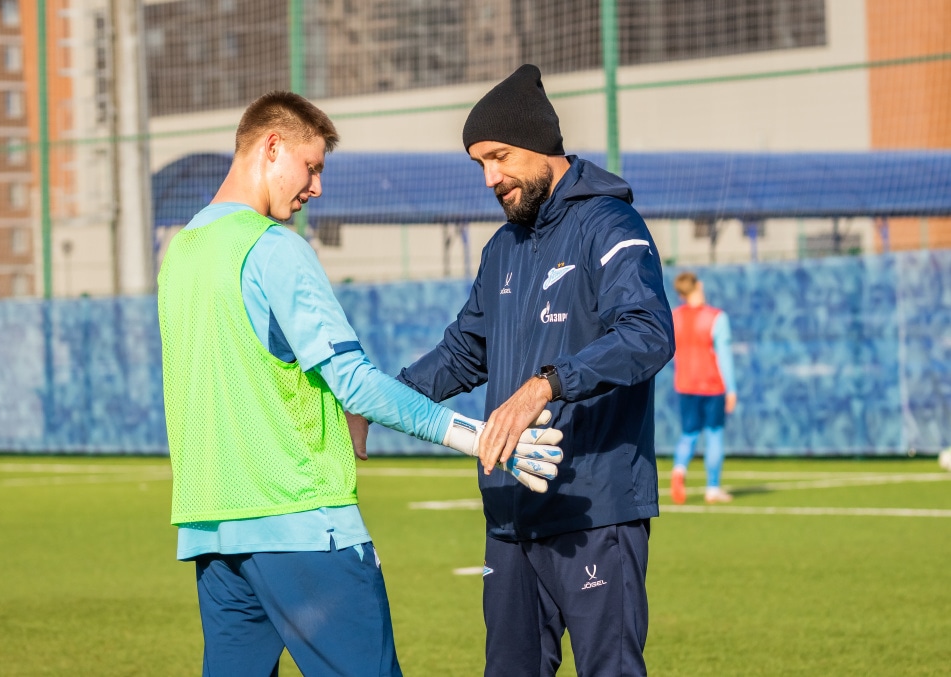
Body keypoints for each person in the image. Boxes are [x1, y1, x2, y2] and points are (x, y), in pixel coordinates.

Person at [156, 90, 562, 677]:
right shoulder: (274, 249)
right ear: (271, 147)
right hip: (303, 526)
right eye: (312, 166)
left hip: (214, 531)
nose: (316, 187)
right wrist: (484, 438)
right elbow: (356, 385)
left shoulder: (182, 251)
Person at [397, 65, 675, 677]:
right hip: (509, 512)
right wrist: (380, 402)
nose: (491, 177)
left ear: (541, 144)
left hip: (594, 509)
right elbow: (462, 353)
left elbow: (648, 334)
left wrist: (546, 383)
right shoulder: (504, 247)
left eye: (499, 157)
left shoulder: (610, 224)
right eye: (480, 165)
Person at [669, 271, 738, 505]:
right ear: (698, 285)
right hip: (712, 385)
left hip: (685, 384)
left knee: (688, 434)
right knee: (714, 434)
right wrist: (732, 389)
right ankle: (712, 488)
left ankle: (679, 470)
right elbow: (724, 356)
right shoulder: (716, 318)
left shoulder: (674, 318)